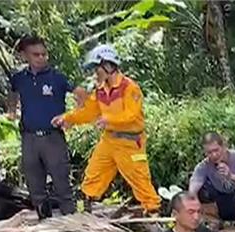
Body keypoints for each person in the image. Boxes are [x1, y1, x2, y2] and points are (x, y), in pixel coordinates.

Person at [52, 44, 161, 215]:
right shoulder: (100, 90)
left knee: (140, 180)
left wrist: (109, 120)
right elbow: (88, 112)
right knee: (92, 176)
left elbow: (132, 114)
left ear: (108, 65)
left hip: (131, 143)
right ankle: (83, 213)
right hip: (109, 141)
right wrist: (67, 118)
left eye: (97, 68)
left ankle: (153, 214)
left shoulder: (130, 87)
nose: (95, 73)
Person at [7, 34, 82, 219]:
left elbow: (81, 94)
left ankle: (72, 221)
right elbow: (12, 93)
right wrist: (11, 111)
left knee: (61, 181)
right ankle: (43, 221)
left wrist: (72, 117)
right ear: (25, 55)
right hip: (29, 137)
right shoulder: (19, 78)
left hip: (52, 137)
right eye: (35, 54)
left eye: (43, 54)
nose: (41, 58)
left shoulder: (56, 77)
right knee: (34, 183)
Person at [188, 132, 235, 232]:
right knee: (203, 191)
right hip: (219, 202)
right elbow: (195, 183)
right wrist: (192, 199)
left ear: (224, 147)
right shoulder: (204, 165)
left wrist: (231, 176)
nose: (214, 155)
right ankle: (213, 221)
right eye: (209, 152)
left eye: (216, 150)